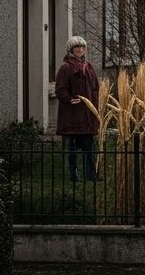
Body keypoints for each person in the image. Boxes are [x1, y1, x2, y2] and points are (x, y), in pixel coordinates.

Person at [55, 35, 100, 182]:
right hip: (72, 115)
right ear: (71, 49)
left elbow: (96, 88)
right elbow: (60, 90)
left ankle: (90, 175)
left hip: (88, 115)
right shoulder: (66, 68)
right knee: (72, 147)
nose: (80, 49)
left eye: (82, 47)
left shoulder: (89, 67)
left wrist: (95, 105)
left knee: (89, 146)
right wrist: (69, 100)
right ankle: (73, 175)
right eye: (76, 47)